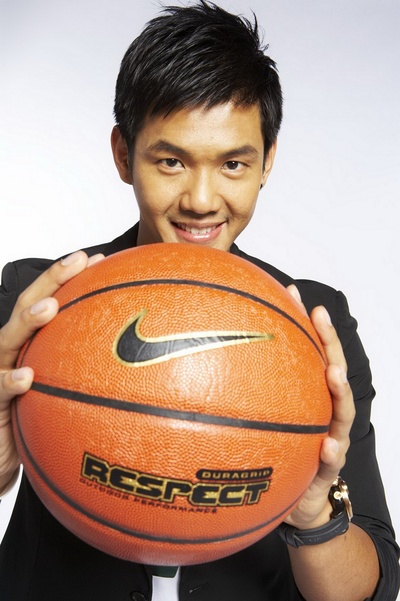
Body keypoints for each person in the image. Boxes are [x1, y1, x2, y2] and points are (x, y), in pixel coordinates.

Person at [0, 1, 399, 599]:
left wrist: (313, 512)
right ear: (123, 154)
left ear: (267, 162)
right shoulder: (38, 304)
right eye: (171, 161)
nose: (202, 200)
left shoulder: (314, 325)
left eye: (233, 163)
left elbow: (373, 589)